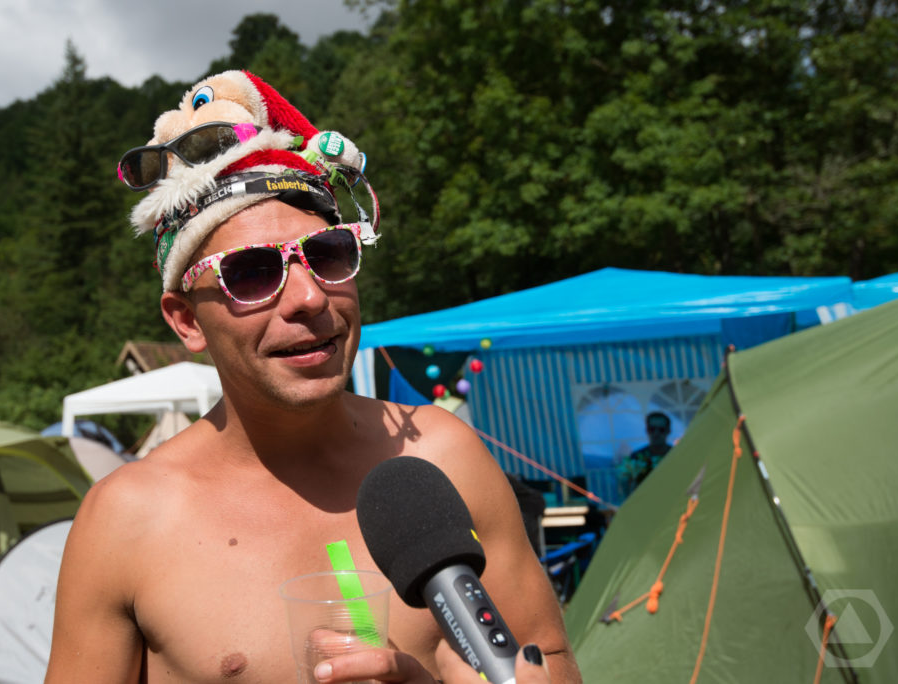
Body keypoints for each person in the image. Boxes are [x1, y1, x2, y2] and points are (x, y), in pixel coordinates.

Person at [45, 69, 581, 683]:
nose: (307, 297)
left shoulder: (444, 456)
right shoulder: (128, 519)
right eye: (249, 272)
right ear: (187, 322)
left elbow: (550, 659)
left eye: (328, 255)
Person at [617, 410, 674, 496]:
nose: (656, 433)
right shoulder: (636, 457)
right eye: (652, 429)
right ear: (647, 430)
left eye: (661, 430)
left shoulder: (676, 455)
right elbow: (625, 483)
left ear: (668, 431)